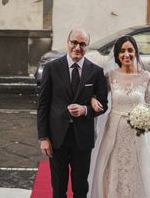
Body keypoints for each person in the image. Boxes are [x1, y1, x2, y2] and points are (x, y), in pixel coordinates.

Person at [87, 35, 150, 197]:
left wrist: (146, 120)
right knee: (114, 165)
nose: (126, 54)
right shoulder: (110, 76)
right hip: (113, 130)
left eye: (130, 50)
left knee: (137, 167)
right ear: (117, 54)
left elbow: (149, 107)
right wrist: (93, 99)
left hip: (137, 132)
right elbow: (98, 96)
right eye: (122, 51)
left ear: (136, 52)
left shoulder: (147, 77)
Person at [37, 29, 109, 198]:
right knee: (59, 188)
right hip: (57, 138)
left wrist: (85, 110)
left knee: (81, 187)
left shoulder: (96, 72)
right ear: (67, 42)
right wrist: (43, 137)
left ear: (87, 47)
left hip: (82, 138)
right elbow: (43, 105)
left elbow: (103, 105)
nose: (78, 47)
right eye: (74, 42)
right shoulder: (51, 68)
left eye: (82, 44)